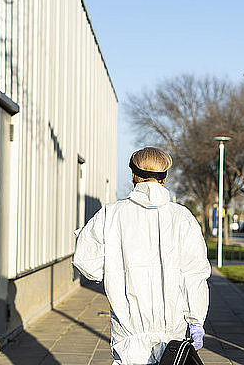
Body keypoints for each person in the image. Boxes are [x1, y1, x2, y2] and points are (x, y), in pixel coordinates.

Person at [73, 147, 211, 365]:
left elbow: (86, 263)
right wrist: (196, 321)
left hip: (128, 329)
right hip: (173, 330)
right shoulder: (182, 217)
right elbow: (195, 274)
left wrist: (112, 272)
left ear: (133, 176)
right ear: (164, 179)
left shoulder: (111, 214)